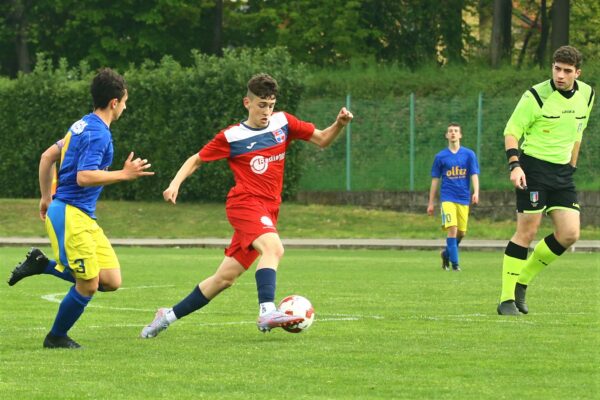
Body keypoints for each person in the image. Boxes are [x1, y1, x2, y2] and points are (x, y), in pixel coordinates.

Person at [140, 73, 353, 338]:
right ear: (247, 103)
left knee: (223, 279)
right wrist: (175, 183)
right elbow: (196, 159)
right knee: (274, 249)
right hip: (244, 205)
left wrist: (340, 124)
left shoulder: (283, 123)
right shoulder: (232, 136)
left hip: (268, 210)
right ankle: (267, 311)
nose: (267, 111)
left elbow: (322, 139)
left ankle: (166, 316)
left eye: (271, 105)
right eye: (261, 105)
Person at [7, 68, 154, 347]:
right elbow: (83, 177)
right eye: (124, 101)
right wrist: (124, 174)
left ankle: (42, 265)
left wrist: (45, 197)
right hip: (70, 216)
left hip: (81, 215)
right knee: (87, 284)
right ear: (114, 102)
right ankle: (56, 337)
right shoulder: (98, 134)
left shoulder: (80, 126)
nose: (125, 106)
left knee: (110, 280)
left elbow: (47, 156)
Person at [497, 46, 595, 315]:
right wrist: (515, 166)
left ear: (577, 72)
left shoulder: (587, 94)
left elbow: (578, 131)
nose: (560, 75)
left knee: (570, 234)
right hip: (533, 169)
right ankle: (506, 300)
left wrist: (571, 166)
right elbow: (511, 131)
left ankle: (522, 281)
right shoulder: (535, 96)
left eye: (566, 71)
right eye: (556, 69)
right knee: (527, 232)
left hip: (562, 173)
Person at [427, 123, 480, 271]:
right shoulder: (440, 157)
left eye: (456, 131)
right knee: (452, 229)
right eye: (450, 131)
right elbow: (435, 180)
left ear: (460, 135)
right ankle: (455, 264)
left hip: (463, 198)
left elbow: (474, 174)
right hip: (447, 198)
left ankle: (446, 253)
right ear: (446, 135)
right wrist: (431, 203)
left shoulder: (469, 154)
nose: (453, 133)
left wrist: (476, 192)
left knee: (461, 232)